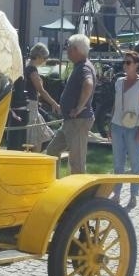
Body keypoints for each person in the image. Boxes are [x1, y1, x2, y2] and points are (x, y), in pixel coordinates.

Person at [45, 34, 96, 176]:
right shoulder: (80, 66)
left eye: (68, 48)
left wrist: (79, 108)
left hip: (78, 121)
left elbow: (89, 84)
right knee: (52, 151)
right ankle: (52, 182)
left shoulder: (84, 67)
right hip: (70, 121)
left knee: (77, 162)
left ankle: (80, 196)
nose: (67, 51)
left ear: (76, 49)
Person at [110, 50, 139, 210]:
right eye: (124, 62)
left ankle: (134, 195)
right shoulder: (119, 82)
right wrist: (110, 124)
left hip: (134, 127)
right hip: (117, 126)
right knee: (118, 163)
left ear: (136, 65)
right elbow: (115, 104)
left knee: (135, 162)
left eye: (128, 62)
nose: (125, 65)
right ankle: (117, 193)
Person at [23, 43, 60, 151]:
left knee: (40, 137)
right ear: (38, 57)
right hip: (31, 106)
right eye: (44, 58)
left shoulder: (28, 67)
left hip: (32, 106)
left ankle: (36, 160)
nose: (45, 61)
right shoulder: (32, 70)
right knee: (34, 140)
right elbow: (41, 91)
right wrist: (54, 104)